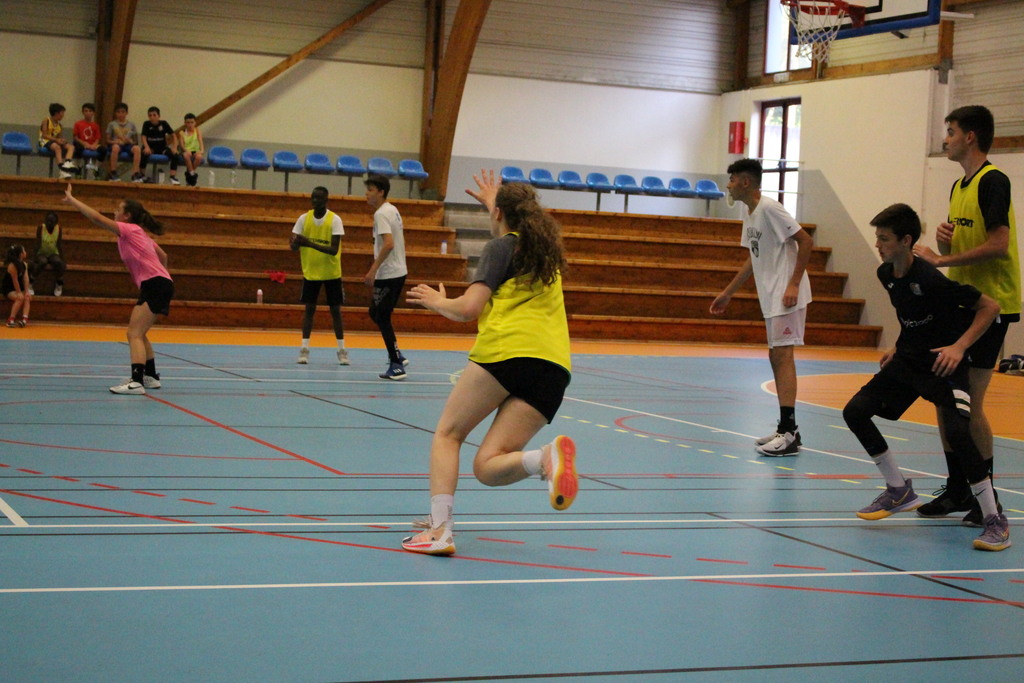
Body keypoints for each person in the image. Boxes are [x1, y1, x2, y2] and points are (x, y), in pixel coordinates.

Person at [400, 171, 578, 556]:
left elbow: (469, 309)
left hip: (507, 353)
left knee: (448, 434)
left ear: (499, 214)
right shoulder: (545, 258)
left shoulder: (501, 248)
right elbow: (510, 227)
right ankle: (544, 459)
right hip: (553, 370)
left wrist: (436, 301)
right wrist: (494, 204)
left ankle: (440, 530)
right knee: (487, 466)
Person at [844, 203, 1008, 551]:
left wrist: (959, 347)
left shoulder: (931, 278)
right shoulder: (886, 273)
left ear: (906, 241)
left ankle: (994, 518)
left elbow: (990, 307)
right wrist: (898, 345)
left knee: (959, 433)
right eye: (877, 238)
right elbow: (911, 314)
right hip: (909, 360)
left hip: (943, 365)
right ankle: (898, 490)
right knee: (855, 411)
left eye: (884, 239)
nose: (878, 245)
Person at [913, 105, 1020, 527]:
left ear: (970, 136)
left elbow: (998, 245)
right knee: (945, 399)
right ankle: (958, 488)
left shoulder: (994, 181)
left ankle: (986, 499)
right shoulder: (960, 185)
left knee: (971, 404)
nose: (946, 139)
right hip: (961, 302)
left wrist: (941, 259)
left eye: (951, 131)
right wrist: (948, 240)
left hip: (992, 305)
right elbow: (967, 241)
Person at [710, 158, 813, 456]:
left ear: (745, 182)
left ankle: (789, 432)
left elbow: (805, 241)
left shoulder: (770, 208)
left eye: (732, 180)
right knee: (775, 356)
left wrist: (793, 284)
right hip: (772, 295)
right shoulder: (750, 212)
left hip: (786, 294)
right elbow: (752, 258)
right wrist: (728, 293)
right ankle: (787, 429)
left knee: (782, 356)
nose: (728, 185)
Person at [61, 184, 172, 395]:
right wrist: (163, 277)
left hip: (155, 284)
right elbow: (163, 256)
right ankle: (150, 376)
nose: (114, 212)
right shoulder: (140, 234)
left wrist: (73, 200)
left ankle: (136, 382)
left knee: (134, 333)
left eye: (118, 209)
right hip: (158, 283)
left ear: (127, 216)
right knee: (140, 332)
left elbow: (96, 218)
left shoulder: (129, 230)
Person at [290, 186, 348, 365]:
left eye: (319, 198)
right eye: (313, 198)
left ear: (326, 200)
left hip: (331, 272)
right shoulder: (303, 219)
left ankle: (342, 350)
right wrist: (295, 243)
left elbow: (333, 249)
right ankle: (304, 349)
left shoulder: (335, 220)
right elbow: (293, 245)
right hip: (311, 273)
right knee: (309, 310)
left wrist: (308, 243)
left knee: (335, 311)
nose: (315, 201)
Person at [363, 174, 409, 380]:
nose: (367, 193)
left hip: (389, 273)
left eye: (371, 190)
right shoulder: (392, 209)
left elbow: (388, 244)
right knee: (376, 313)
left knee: (381, 316)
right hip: (397, 271)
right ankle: (397, 354)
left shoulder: (381, 214)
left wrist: (373, 270)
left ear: (381, 192)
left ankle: (396, 364)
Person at [28, 211, 66, 297]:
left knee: (58, 262)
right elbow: (37, 243)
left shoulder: (58, 229)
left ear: (55, 223)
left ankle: (59, 283)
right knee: (42, 262)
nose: (49, 223)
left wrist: (63, 259)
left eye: (51, 221)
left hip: (53, 253)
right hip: (41, 252)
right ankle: (31, 281)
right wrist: (33, 258)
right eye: (47, 221)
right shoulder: (41, 228)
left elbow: (59, 244)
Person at [140, 106, 181, 185]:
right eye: (150, 115)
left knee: (175, 155)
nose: (152, 117)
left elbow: (174, 135)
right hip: (150, 148)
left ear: (159, 116)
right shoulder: (146, 124)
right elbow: (143, 137)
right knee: (143, 153)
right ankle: (142, 175)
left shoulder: (164, 124)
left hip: (162, 148)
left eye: (154, 115)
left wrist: (175, 147)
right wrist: (146, 147)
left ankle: (172, 177)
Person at [106, 102, 145, 183]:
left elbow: (135, 141)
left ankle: (135, 173)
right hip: (117, 144)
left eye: (123, 112)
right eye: (118, 112)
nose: (121, 114)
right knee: (115, 148)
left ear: (126, 113)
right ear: (115, 113)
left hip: (127, 145)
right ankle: (113, 172)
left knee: (137, 149)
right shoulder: (112, 124)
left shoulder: (131, 124)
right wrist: (115, 141)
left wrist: (130, 141)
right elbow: (107, 140)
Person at [39, 103, 76, 179]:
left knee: (71, 147)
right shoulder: (46, 120)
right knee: (57, 147)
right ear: (56, 113)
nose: (63, 115)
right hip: (45, 141)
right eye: (62, 113)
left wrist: (62, 140)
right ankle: (62, 170)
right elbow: (44, 135)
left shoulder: (60, 126)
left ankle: (67, 162)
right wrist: (56, 140)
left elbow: (59, 137)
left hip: (54, 141)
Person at [72, 102, 106, 177]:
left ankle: (96, 168)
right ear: (83, 112)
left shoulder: (95, 125)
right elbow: (75, 137)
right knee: (77, 147)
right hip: (81, 144)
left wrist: (94, 145)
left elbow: (97, 138)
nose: (88, 113)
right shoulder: (78, 124)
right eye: (86, 111)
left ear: (93, 113)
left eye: (90, 111)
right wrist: (84, 143)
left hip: (92, 144)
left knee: (103, 150)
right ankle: (79, 167)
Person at [3, 244, 31, 328]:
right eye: (24, 250)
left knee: (27, 297)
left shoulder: (24, 264)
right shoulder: (12, 266)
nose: (25, 252)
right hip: (9, 288)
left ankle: (24, 319)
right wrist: (19, 292)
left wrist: (27, 291)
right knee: (20, 298)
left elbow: (26, 279)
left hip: (19, 287)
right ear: (20, 254)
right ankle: (10, 320)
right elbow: (15, 281)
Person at [177, 113, 204, 187]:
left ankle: (189, 174)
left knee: (199, 157)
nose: (190, 124)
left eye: (192, 122)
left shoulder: (197, 131)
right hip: (186, 150)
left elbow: (200, 141)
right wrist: (185, 150)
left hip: (195, 150)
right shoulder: (182, 133)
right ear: (185, 123)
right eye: (188, 122)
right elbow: (182, 145)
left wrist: (201, 150)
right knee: (186, 155)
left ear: (195, 123)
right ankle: (192, 174)